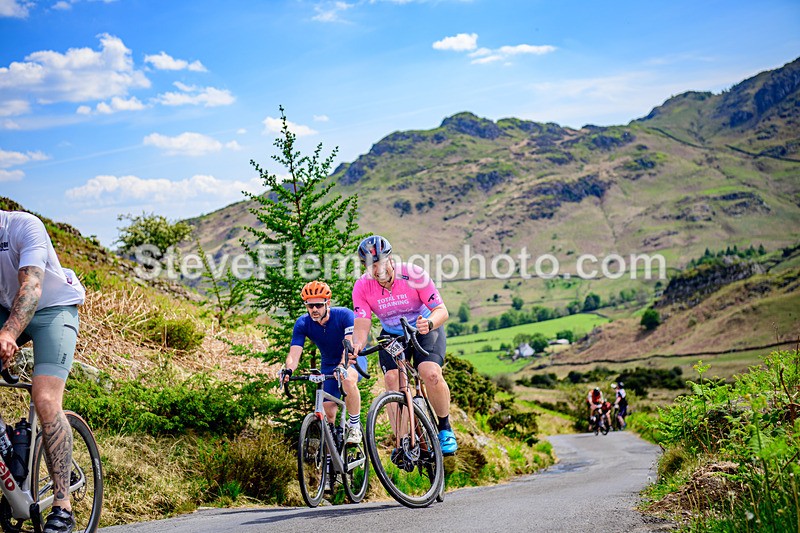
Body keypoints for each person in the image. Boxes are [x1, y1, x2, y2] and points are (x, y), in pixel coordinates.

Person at [0, 210, 86, 533]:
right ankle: (10, 445)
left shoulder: (24, 227)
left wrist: (9, 335)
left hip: (53, 308)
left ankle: (63, 507)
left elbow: (33, 288)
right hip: (8, 307)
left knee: (45, 398)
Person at [350, 235, 457, 454]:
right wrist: (357, 346)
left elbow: (442, 311)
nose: (377, 269)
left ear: (390, 259)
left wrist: (429, 323)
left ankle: (445, 428)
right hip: (392, 334)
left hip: (424, 327)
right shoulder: (362, 286)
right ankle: (402, 441)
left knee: (430, 373)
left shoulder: (414, 274)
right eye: (371, 265)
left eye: (380, 262)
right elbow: (361, 325)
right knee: (392, 379)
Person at [280, 280, 367, 445]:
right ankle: (331, 454)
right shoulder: (303, 323)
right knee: (328, 411)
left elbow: (348, 344)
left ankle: (354, 426)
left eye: (318, 305)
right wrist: (288, 370)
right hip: (328, 364)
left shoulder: (344, 315)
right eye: (309, 306)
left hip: (351, 358)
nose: (314, 310)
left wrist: (342, 365)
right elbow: (294, 353)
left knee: (347, 379)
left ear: (328, 303)